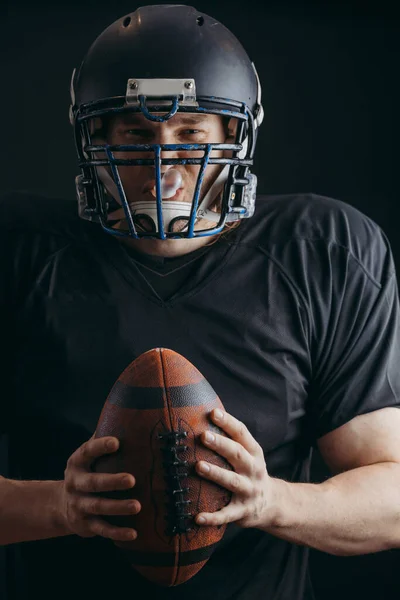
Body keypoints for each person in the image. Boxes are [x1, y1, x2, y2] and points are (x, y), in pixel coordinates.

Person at [1, 5, 400, 600]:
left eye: (190, 133)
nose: (164, 167)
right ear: (95, 138)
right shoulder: (19, 252)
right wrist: (58, 506)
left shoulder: (323, 250)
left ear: (235, 136)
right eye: (136, 134)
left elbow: (392, 495)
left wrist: (272, 502)